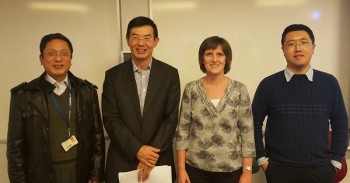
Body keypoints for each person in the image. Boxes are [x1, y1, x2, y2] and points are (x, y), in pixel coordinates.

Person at [253, 24, 349, 183]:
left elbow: (340, 123)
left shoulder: (329, 83)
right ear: (283, 50)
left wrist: (336, 162)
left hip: (321, 170)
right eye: (290, 44)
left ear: (313, 47)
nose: (297, 48)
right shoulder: (268, 85)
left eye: (304, 42)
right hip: (279, 170)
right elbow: (253, 123)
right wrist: (262, 161)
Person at [6, 33, 105, 183]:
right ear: (41, 59)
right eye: (51, 54)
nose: (58, 59)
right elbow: (15, 149)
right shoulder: (23, 95)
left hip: (80, 172)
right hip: (41, 175)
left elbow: (97, 137)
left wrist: (96, 174)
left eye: (64, 54)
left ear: (71, 59)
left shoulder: (87, 91)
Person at [102, 16, 180, 183]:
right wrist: (137, 149)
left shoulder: (170, 74)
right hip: (123, 160)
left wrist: (149, 156)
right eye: (135, 37)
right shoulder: (113, 76)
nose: (141, 43)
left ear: (156, 41)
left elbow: (171, 118)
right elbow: (110, 119)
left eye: (147, 38)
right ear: (127, 40)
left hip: (158, 160)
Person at [176, 36, 256, 183]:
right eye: (209, 54)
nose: (214, 59)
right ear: (202, 59)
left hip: (231, 170)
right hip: (196, 169)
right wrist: (181, 169)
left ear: (227, 59)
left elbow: (247, 132)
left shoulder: (240, 90)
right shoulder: (191, 89)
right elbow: (183, 131)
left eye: (220, 54)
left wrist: (247, 172)